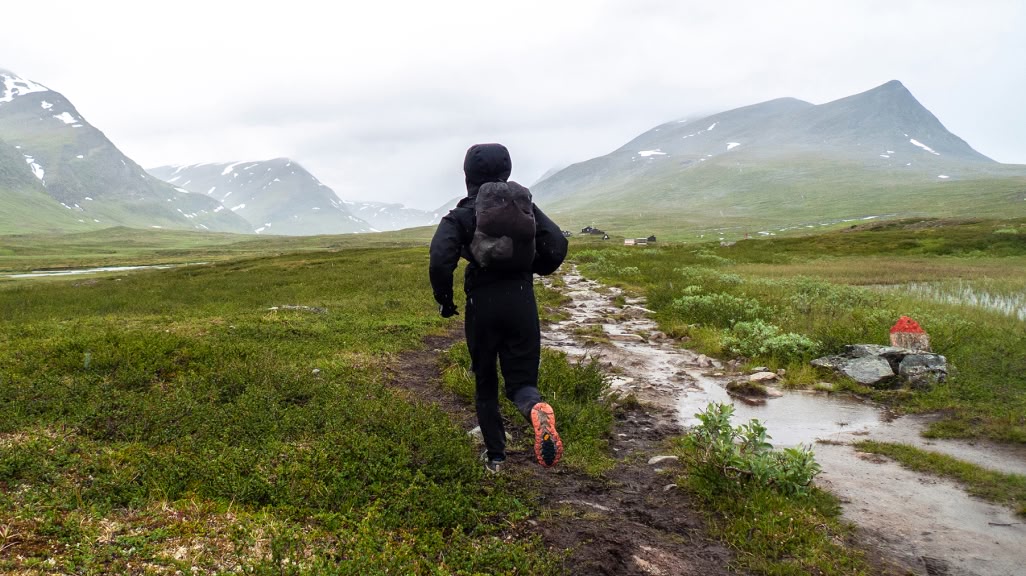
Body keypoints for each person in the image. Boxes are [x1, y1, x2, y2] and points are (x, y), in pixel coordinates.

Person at [429, 143, 569, 474]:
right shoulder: (526, 209)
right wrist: (532, 268)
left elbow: (439, 258)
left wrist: (446, 300)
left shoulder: (463, 213)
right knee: (521, 382)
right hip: (521, 300)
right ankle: (535, 408)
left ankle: (496, 457)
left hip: (483, 304)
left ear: (467, 175)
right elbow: (557, 246)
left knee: (486, 382)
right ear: (507, 171)